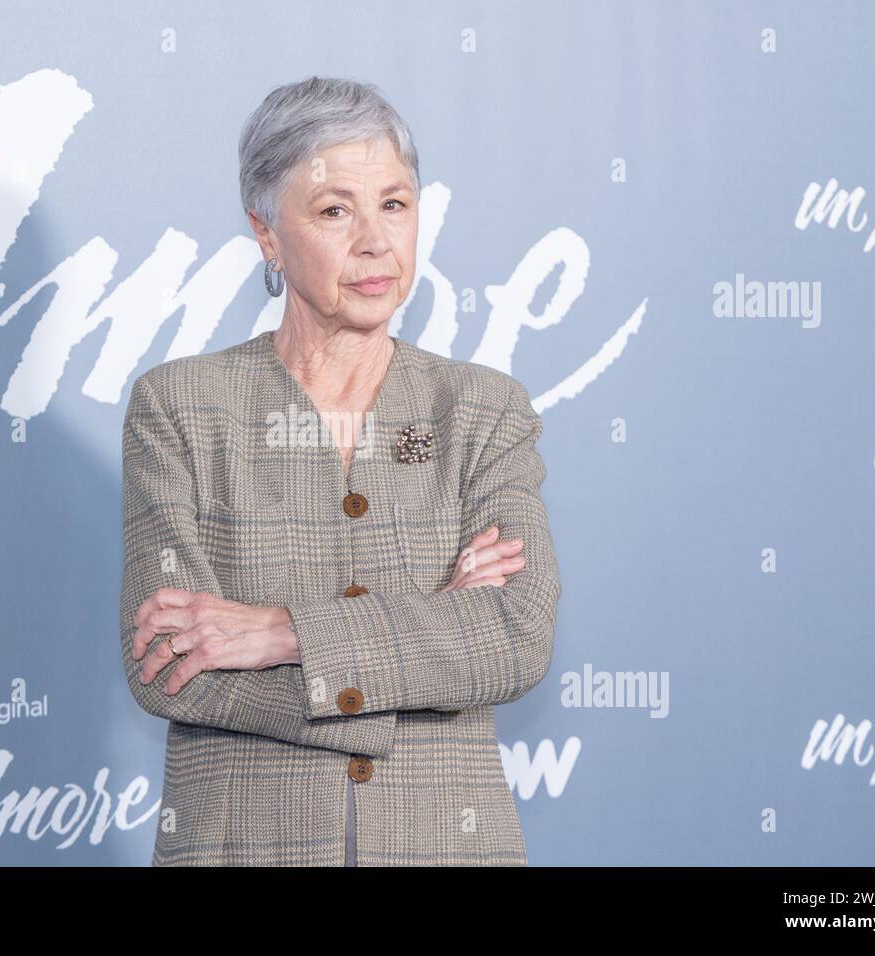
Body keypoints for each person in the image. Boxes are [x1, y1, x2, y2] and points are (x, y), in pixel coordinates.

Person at [120, 76, 560, 866]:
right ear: (265, 234)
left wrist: (281, 633)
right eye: (334, 211)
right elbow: (169, 668)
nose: (375, 242)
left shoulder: (482, 410)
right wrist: (424, 641)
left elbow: (513, 638)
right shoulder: (179, 408)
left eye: (395, 204)